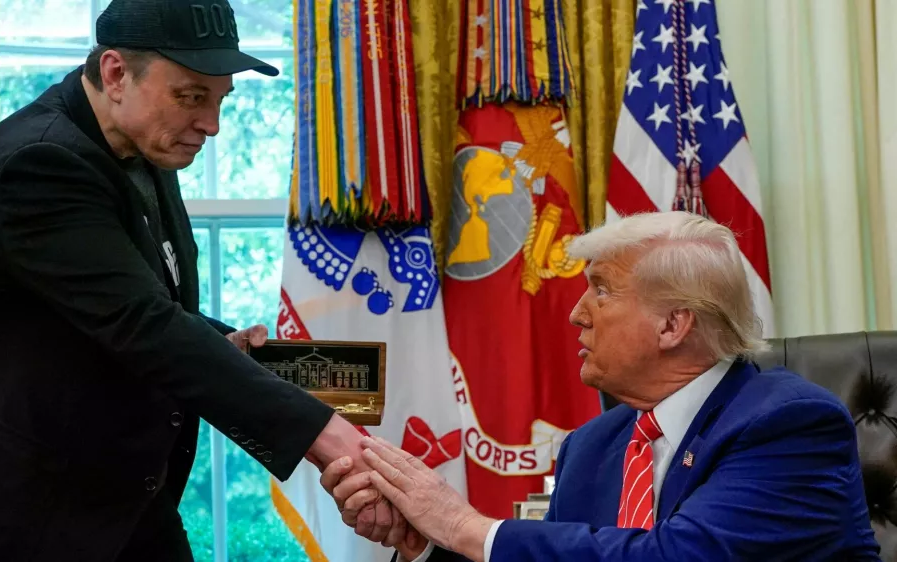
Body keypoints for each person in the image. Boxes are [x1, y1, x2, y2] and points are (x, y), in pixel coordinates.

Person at [0, 0, 406, 560]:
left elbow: (131, 298)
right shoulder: (39, 161)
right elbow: (143, 323)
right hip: (21, 503)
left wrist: (219, 342)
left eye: (219, 101)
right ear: (116, 74)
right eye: (191, 97)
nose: (211, 125)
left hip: (123, 492)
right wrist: (332, 440)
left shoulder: (142, 143)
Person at [323, 211, 882, 561]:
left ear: (673, 324)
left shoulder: (789, 425)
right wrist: (427, 542)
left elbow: (679, 555)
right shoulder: (591, 446)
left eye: (601, 291)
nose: (576, 314)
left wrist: (468, 526)